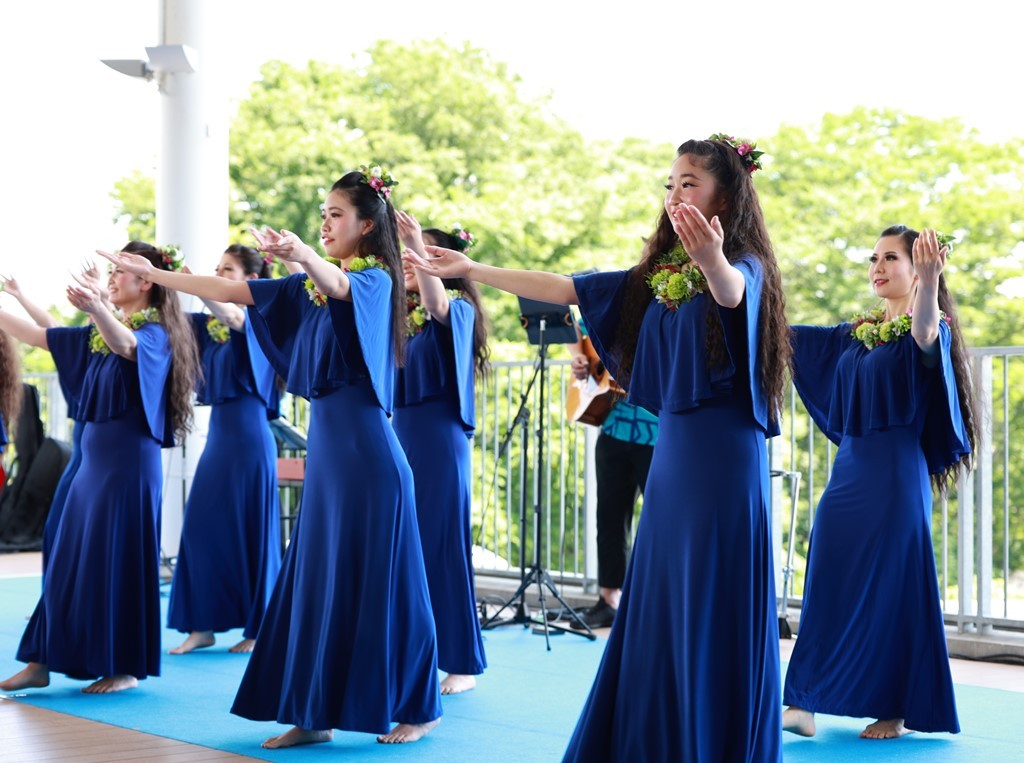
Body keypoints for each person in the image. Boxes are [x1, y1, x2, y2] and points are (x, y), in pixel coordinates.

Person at [408, 135, 790, 761]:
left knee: (710, 594)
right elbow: (566, 288)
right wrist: (471, 271)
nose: (675, 195)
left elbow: (732, 293)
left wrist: (712, 260)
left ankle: (712, 740)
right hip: (675, 452)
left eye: (689, 183)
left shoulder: (744, 262)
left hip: (723, 457)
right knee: (660, 593)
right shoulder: (658, 276)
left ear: (726, 195)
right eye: (670, 184)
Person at [101, 166, 442, 747]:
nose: (326, 223)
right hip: (331, 464)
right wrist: (154, 275)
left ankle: (418, 705)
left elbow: (340, 289)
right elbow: (229, 293)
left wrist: (304, 255)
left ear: (366, 225)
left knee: (393, 585)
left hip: (371, 463)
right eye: (323, 214)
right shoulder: (306, 289)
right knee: (315, 586)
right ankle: (312, 714)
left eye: (337, 215)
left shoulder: (377, 280)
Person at [782, 225, 975, 740]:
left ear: (917, 269)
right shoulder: (856, 334)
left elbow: (924, 335)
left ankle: (894, 707)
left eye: (891, 258)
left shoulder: (930, 326)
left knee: (893, 588)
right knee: (825, 579)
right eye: (874, 258)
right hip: (849, 473)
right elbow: (789, 338)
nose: (878, 267)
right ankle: (803, 700)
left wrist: (929, 284)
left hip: (895, 477)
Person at [0, 241, 199, 694]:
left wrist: (96, 309)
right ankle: (41, 659)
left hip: (128, 467)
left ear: (145, 281)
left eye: (120, 270)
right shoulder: (98, 334)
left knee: (117, 559)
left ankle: (123, 666)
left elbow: (127, 346)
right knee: (65, 555)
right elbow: (39, 336)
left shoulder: (157, 334)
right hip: (91, 468)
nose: (111, 278)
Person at [166, 244, 282, 655]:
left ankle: (259, 626)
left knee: (253, 530)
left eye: (226, 270)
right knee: (202, 526)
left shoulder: (259, 317)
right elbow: (172, 323)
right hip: (219, 438)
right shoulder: (209, 326)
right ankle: (202, 625)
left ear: (251, 280)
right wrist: (160, 277)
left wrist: (198, 284)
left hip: (251, 439)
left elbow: (232, 315)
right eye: (216, 269)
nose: (218, 275)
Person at [394, 213, 489, 695]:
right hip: (399, 435)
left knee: (441, 546)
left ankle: (461, 661)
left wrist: (413, 238)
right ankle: (408, 653)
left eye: (424, 256)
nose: (411, 262)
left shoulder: (458, 310)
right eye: (407, 256)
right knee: (403, 548)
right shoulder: (398, 317)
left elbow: (436, 304)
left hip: (438, 440)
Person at [565, 315, 657, 630]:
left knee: (660, 522)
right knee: (609, 517)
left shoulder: (663, 310)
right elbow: (578, 328)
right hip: (614, 429)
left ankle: (656, 605)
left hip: (657, 435)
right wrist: (579, 359)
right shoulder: (609, 312)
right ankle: (609, 600)